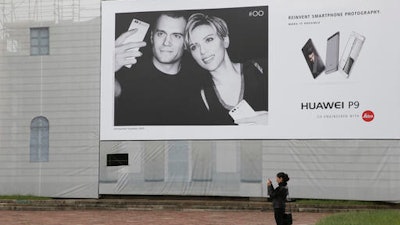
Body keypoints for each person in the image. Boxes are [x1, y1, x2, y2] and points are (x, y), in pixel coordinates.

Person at [114, 12, 209, 125]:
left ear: (185, 43)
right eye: (161, 34)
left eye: (176, 36)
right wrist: (107, 68)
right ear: (151, 37)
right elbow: (113, 89)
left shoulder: (199, 81)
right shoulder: (128, 74)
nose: (166, 42)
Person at [184, 13, 268, 125]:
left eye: (208, 40)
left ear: (225, 40)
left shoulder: (261, 68)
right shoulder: (204, 96)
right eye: (194, 47)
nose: (202, 51)